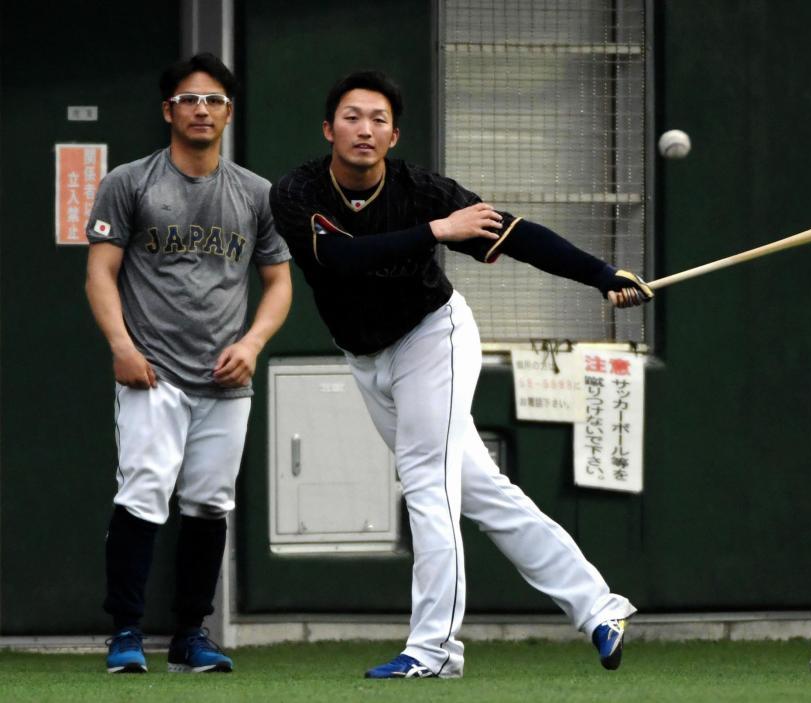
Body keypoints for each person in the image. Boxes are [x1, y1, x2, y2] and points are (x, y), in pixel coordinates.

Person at [270, 70, 652, 680]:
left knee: (427, 482)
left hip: (433, 339)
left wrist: (604, 275)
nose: (364, 129)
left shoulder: (423, 189)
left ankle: (433, 651)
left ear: (395, 135)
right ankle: (600, 606)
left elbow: (517, 234)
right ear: (328, 129)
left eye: (377, 119)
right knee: (481, 492)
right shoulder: (296, 192)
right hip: (366, 357)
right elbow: (338, 259)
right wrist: (437, 232)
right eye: (351, 117)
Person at [84, 53, 292, 674]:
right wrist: (122, 347)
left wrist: (252, 344)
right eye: (190, 99)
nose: (203, 110)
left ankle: (190, 636)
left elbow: (279, 284)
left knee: (208, 502)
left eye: (215, 101)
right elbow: (101, 271)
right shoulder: (130, 182)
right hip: (153, 372)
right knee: (144, 493)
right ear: (168, 109)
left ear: (230, 111)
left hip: (225, 381)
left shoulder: (256, 193)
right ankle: (125, 632)